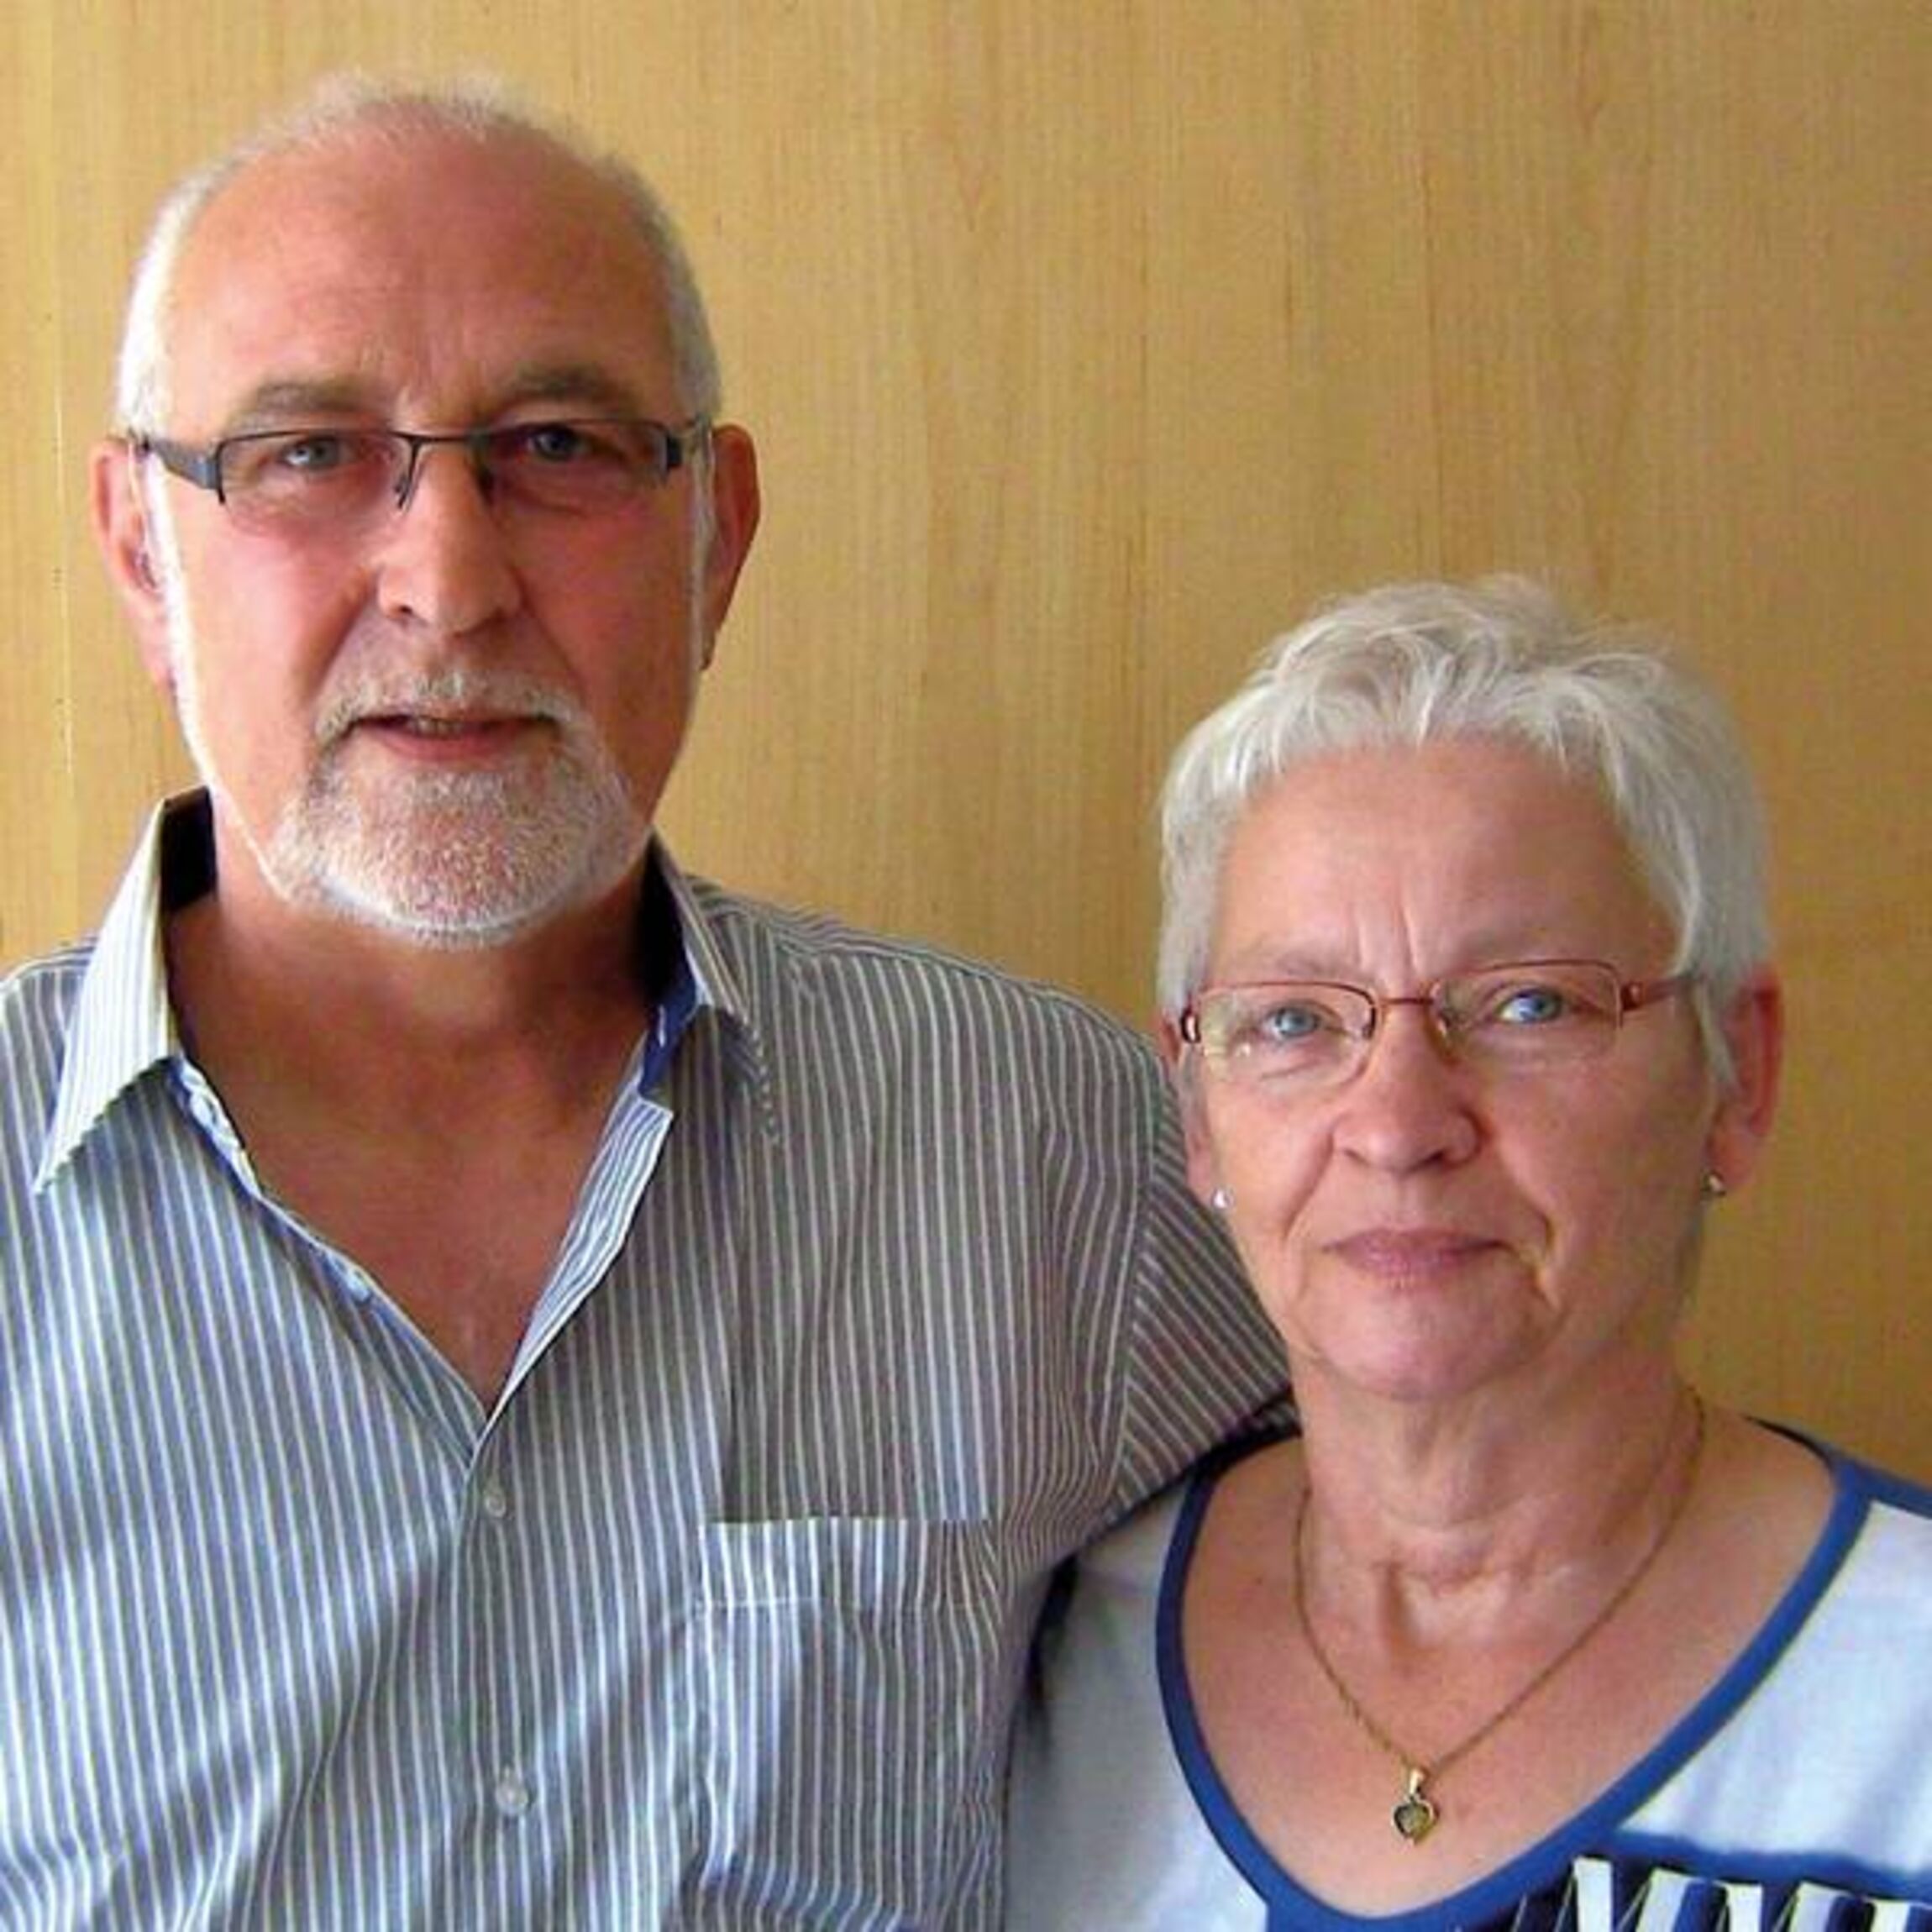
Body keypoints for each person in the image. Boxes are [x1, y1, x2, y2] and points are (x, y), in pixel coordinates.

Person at [0, 76, 1286, 1928]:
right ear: (143, 548)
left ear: (717, 536)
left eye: (558, 446)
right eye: (309, 454)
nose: (449, 580)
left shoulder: (1049, 1155)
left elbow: (1440, 1620)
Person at [1008, 578, 1932, 1925]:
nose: (1398, 1125)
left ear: (1737, 1076)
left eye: (1528, 1004)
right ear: (1197, 1113)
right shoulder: (1034, 1655)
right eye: (1293, 1021)